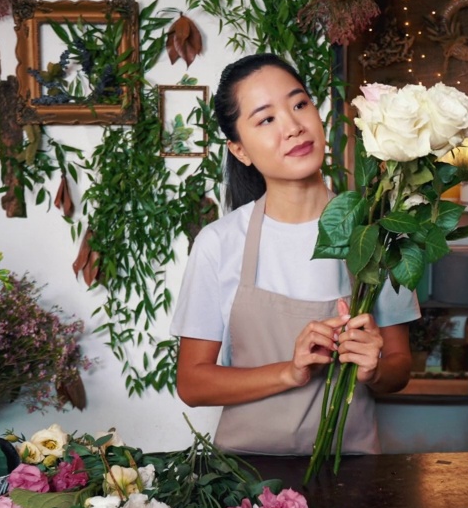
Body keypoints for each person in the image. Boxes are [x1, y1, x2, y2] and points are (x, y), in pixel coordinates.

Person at [169, 53, 418, 455]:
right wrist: (290, 371)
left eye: (299, 104)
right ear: (240, 150)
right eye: (266, 119)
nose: (294, 127)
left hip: (351, 473)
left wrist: (373, 370)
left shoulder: (376, 234)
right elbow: (193, 384)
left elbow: (400, 368)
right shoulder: (219, 243)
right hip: (246, 481)